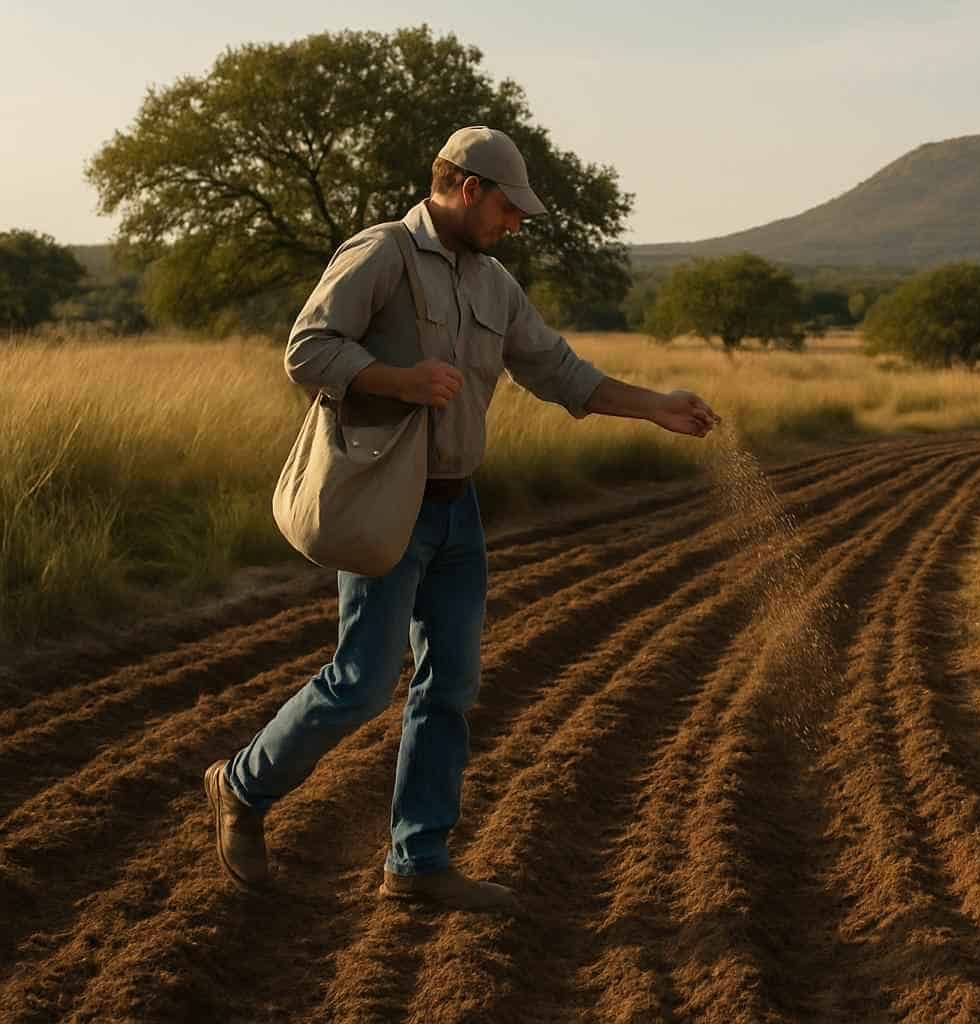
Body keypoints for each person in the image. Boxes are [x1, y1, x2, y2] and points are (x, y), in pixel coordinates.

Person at [204, 126, 719, 913]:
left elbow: (558, 370)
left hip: (459, 512)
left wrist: (656, 406)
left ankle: (417, 862)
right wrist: (399, 379)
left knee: (452, 688)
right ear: (470, 188)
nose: (516, 223)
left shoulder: (494, 285)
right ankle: (242, 785)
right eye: (510, 208)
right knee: (361, 683)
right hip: (390, 504)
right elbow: (307, 351)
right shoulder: (381, 254)